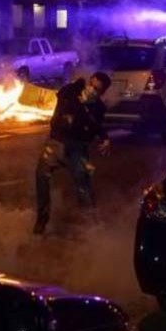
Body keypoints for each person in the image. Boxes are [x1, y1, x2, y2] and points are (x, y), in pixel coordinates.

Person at [34, 72, 112, 235]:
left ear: (102, 92)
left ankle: (92, 227)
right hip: (56, 143)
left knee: (83, 185)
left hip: (77, 148)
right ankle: (42, 218)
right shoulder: (71, 91)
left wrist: (105, 138)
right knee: (41, 176)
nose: (92, 90)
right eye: (91, 85)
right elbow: (63, 104)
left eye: (97, 89)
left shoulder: (97, 108)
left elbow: (95, 127)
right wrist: (78, 101)